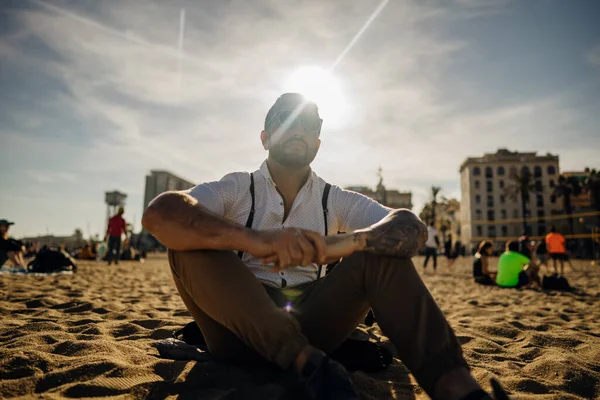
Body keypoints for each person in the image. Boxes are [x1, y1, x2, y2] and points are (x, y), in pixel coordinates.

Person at [142, 93, 497, 400]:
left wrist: (341, 244)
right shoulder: (237, 188)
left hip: (312, 321)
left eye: (311, 122)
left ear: (318, 142)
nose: (299, 127)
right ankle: (305, 362)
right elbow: (161, 213)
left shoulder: (335, 199)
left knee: (380, 254)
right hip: (236, 327)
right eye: (286, 119)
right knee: (189, 242)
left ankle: (456, 386)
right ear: (265, 138)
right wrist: (255, 239)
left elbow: (410, 227)